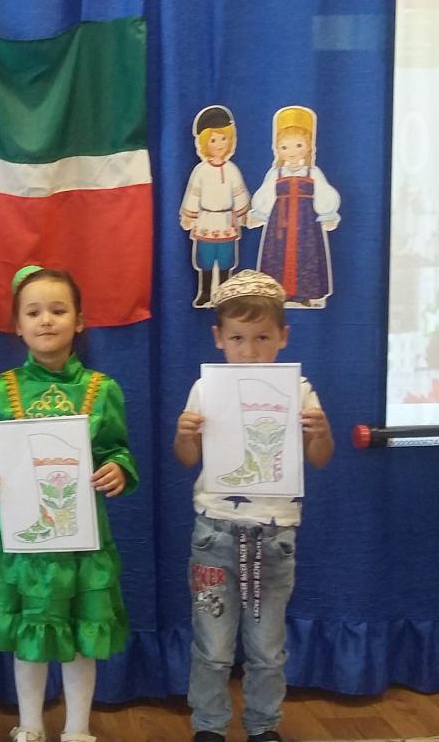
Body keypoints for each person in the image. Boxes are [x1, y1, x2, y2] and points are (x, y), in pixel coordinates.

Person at [0, 266, 136, 742]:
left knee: (80, 635)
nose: (46, 320)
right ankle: (31, 724)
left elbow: (117, 450)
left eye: (58, 310)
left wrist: (118, 469)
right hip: (22, 540)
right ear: (17, 325)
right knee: (30, 631)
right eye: (33, 312)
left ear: (79, 320)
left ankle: (77, 728)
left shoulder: (102, 389)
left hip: (80, 540)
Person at [172, 270, 335, 742]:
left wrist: (320, 433)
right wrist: (185, 435)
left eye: (262, 338)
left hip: (274, 536)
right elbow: (187, 460)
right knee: (213, 647)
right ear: (218, 338)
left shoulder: (298, 390)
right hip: (215, 532)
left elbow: (320, 460)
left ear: (283, 337)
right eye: (238, 338)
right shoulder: (206, 390)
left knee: (267, 649)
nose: (249, 350)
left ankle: (264, 727)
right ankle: (209, 727)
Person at [247, 106, 341, 307]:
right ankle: (279, 292)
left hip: (306, 224)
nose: (291, 152)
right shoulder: (276, 174)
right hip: (279, 225)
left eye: (298, 145)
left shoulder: (312, 173)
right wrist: (260, 213)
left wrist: (327, 214)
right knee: (278, 254)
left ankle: (304, 293)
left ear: (308, 147)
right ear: (277, 149)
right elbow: (266, 193)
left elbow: (324, 193)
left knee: (306, 254)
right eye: (284, 147)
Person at [180, 104, 250, 308]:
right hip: (207, 222)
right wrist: (190, 217)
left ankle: (225, 292)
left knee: (226, 259)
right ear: (204, 143)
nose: (219, 144)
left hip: (226, 222)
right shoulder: (201, 171)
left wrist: (243, 215)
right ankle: (205, 292)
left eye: (223, 138)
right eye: (213, 140)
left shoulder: (232, 170)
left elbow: (239, 193)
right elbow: (194, 194)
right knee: (206, 259)